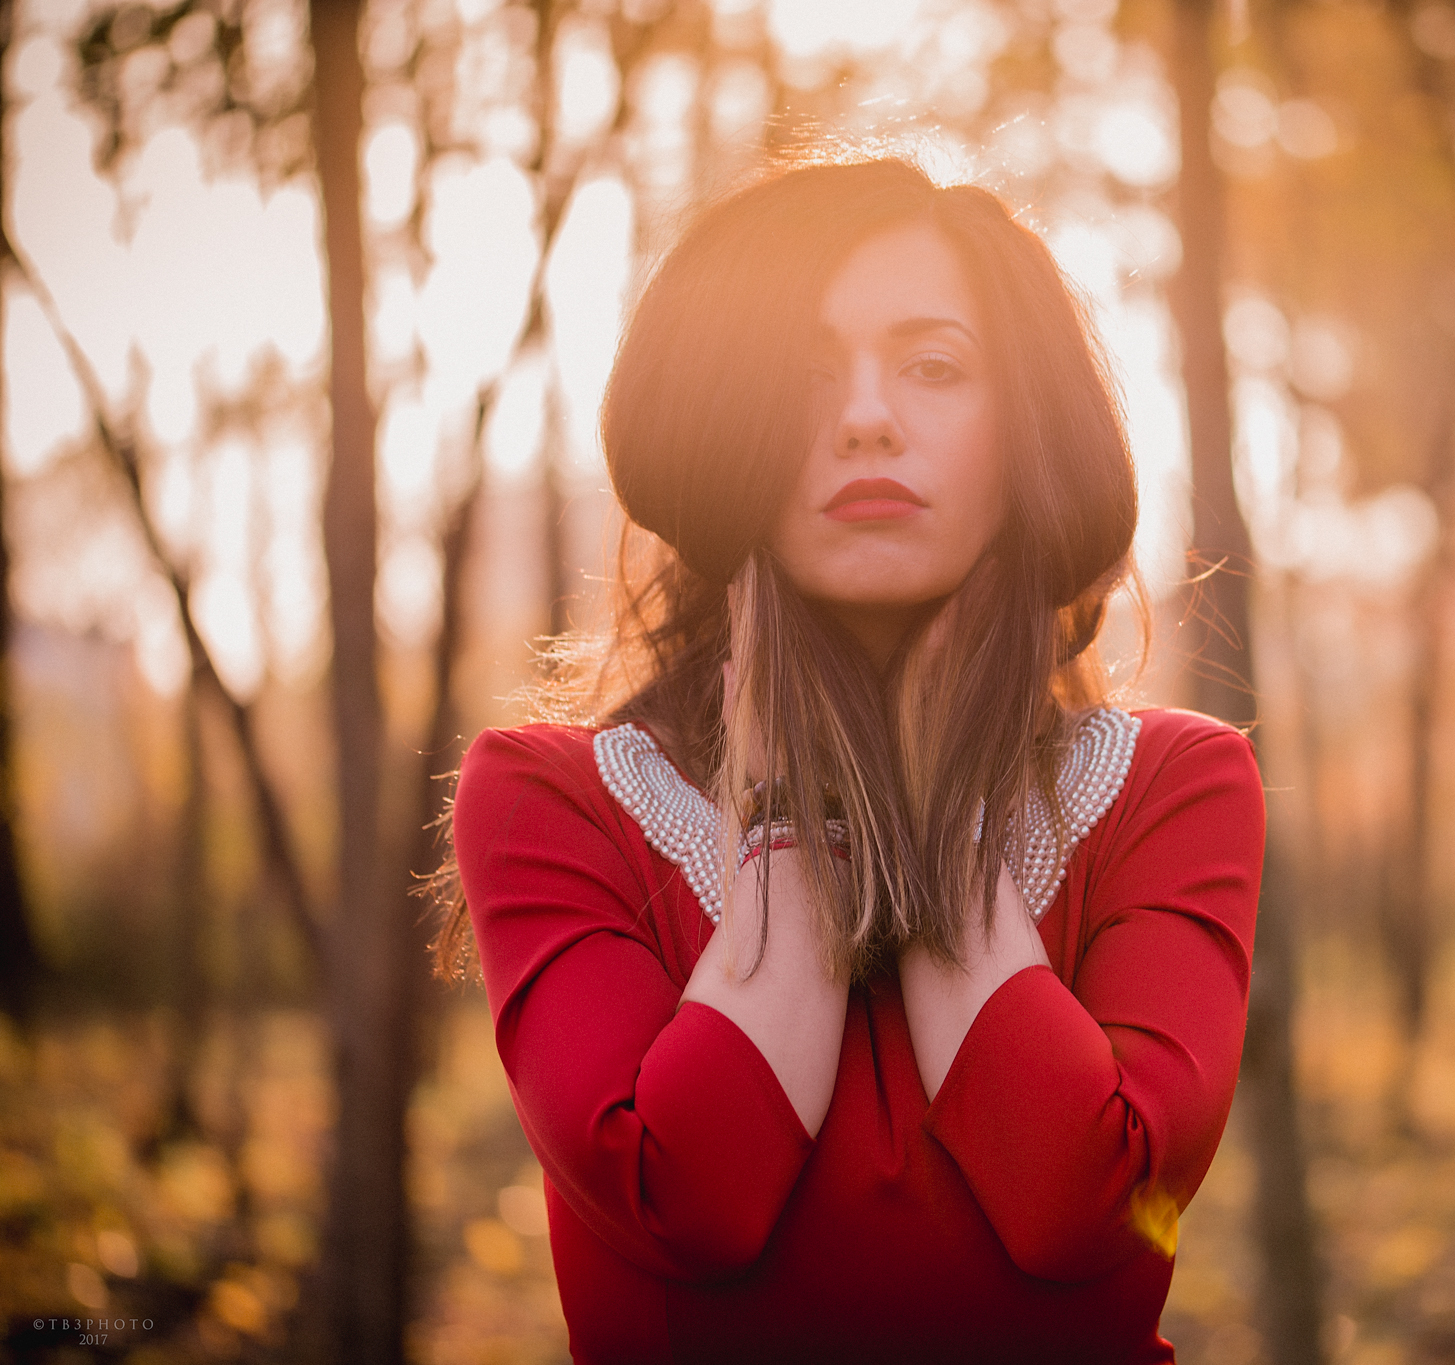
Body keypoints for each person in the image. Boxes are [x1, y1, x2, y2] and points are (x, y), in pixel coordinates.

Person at [440, 155, 1266, 1364]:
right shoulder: (551, 800)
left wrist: (929, 808)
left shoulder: (1168, 791)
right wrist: (785, 817)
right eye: (800, 377)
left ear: (1026, 423)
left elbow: (1080, 1202)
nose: (865, 417)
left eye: (933, 367)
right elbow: (689, 1197)